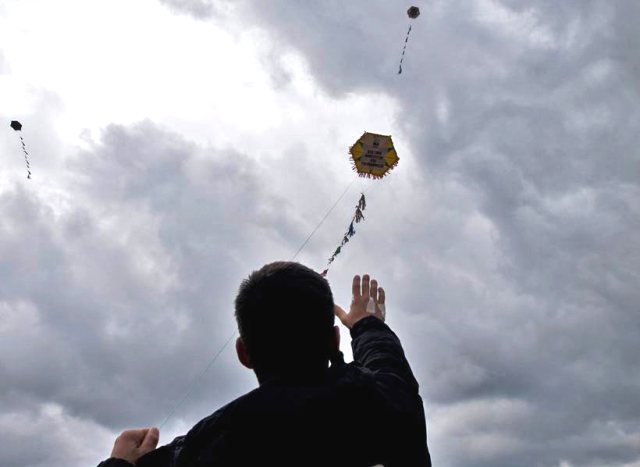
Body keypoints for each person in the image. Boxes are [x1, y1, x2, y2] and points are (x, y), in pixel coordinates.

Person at [98, 262, 431, 466]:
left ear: (243, 354)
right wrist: (367, 325)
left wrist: (120, 464)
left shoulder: (210, 445)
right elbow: (388, 365)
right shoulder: (389, 404)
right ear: (334, 341)